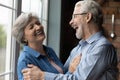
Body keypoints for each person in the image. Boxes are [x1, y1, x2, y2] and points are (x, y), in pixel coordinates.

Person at [22, 0, 118, 80]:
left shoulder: (102, 47)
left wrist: (42, 76)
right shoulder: (77, 49)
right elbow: (65, 75)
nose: (71, 22)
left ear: (87, 17)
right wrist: (70, 70)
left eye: (75, 16)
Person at [12, 12, 64, 80]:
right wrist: (71, 70)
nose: (38, 27)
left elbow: (62, 74)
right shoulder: (25, 60)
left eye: (38, 23)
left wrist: (70, 70)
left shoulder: (49, 50)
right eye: (31, 27)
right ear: (24, 37)